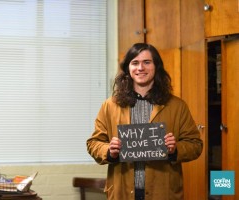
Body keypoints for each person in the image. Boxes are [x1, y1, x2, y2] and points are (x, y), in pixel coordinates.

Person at [86, 43, 203, 200]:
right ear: (128, 68)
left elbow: (195, 145)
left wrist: (175, 149)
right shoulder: (110, 105)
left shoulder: (177, 105)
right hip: (122, 192)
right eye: (135, 63)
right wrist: (108, 150)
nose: (140, 68)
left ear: (156, 67)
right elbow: (93, 143)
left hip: (163, 192)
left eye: (147, 62)